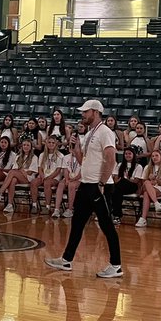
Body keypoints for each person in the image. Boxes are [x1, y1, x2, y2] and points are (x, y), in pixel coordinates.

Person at [45, 100, 123, 279]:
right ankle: (67, 259)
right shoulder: (89, 133)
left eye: (85, 112)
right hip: (86, 184)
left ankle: (116, 264)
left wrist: (102, 184)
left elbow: (111, 159)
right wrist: (77, 149)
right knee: (77, 223)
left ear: (95, 112)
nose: (82, 115)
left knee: (107, 225)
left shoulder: (105, 132)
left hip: (99, 186)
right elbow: (83, 161)